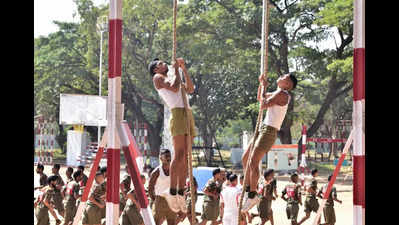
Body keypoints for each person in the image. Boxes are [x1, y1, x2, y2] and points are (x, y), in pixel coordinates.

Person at [241, 72, 298, 212]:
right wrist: (262, 85)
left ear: (288, 84)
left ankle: (252, 194)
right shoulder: (278, 92)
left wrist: (264, 87)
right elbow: (260, 98)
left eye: (284, 76)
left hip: (269, 131)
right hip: (263, 127)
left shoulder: (283, 95)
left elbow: (263, 105)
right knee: (245, 159)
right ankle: (249, 189)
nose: (281, 76)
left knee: (253, 161)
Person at [149, 57, 196, 211]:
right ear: (156, 69)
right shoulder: (158, 78)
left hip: (187, 113)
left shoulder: (173, 76)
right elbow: (175, 88)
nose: (165, 64)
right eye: (161, 63)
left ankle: (181, 191)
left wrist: (183, 69)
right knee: (179, 153)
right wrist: (176, 69)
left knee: (186, 156)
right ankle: (172, 189)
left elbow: (190, 89)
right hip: (178, 113)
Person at [148, 149, 177, 225]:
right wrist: (155, 200)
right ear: (161, 158)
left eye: (169, 156)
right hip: (160, 199)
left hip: (171, 199)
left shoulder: (174, 170)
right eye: (166, 156)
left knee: (172, 222)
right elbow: (150, 188)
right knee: (157, 222)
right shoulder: (156, 172)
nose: (168, 158)